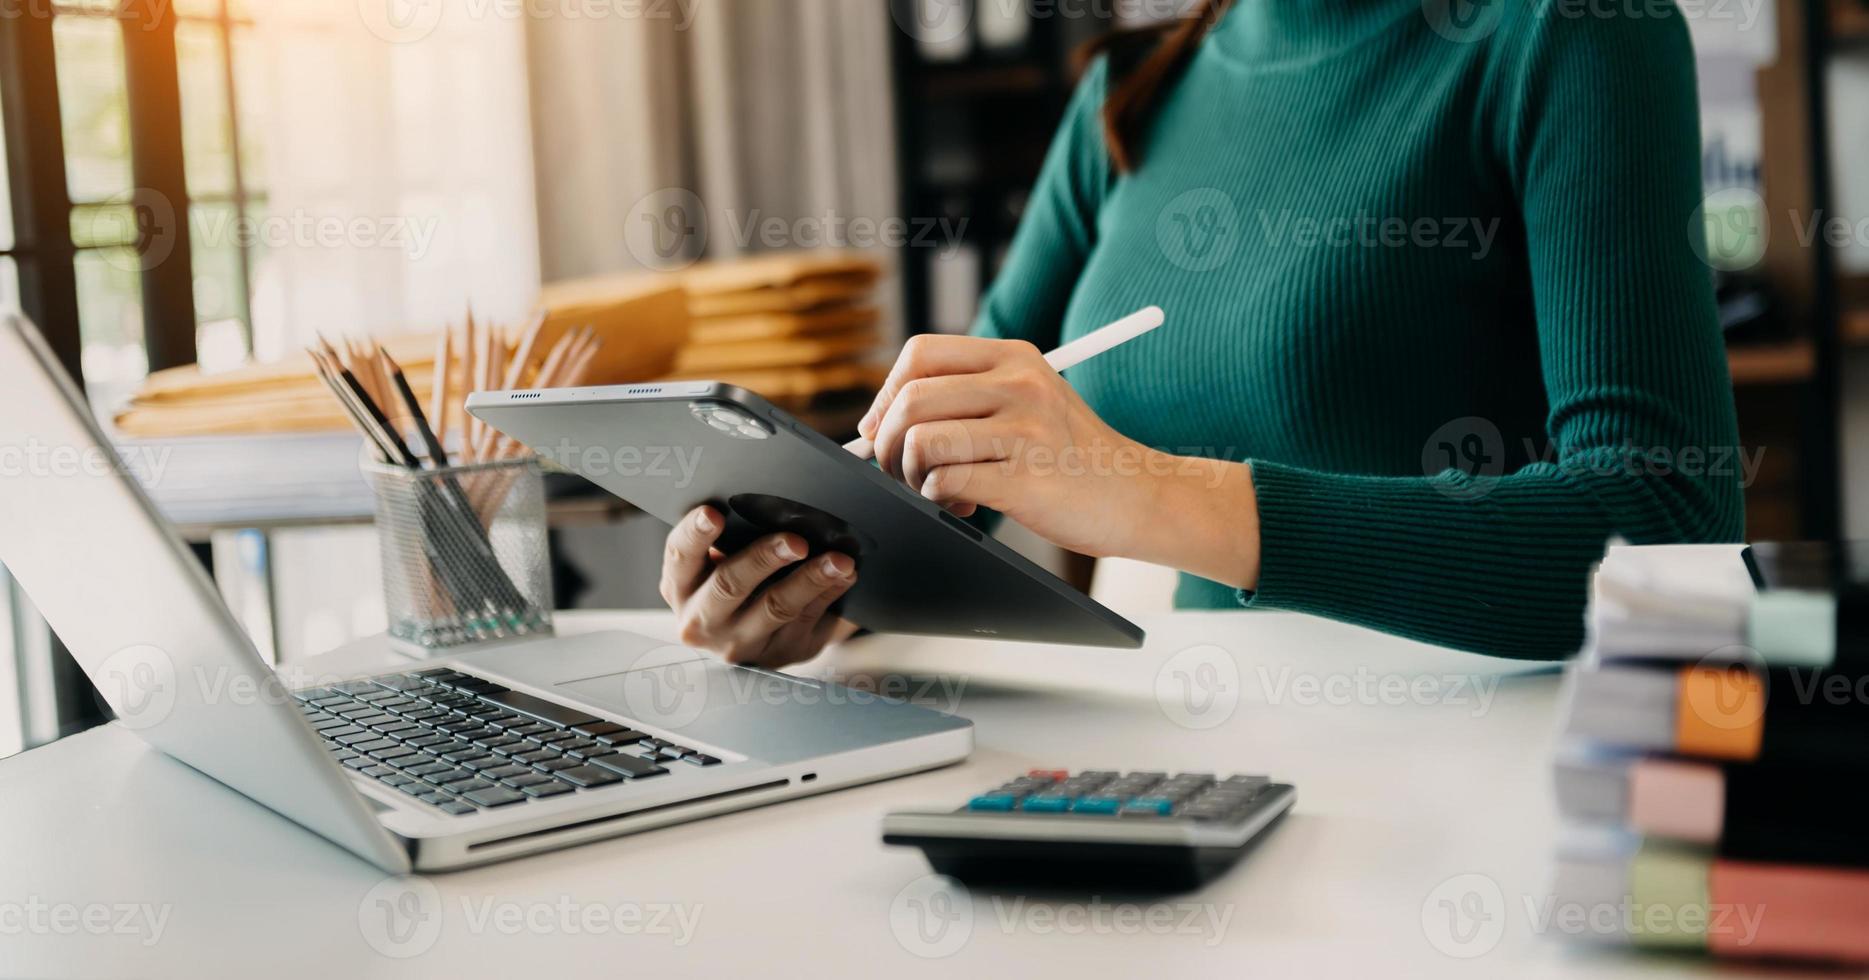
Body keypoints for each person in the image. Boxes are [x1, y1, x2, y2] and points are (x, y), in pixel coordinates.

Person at [659, 0, 1744, 666]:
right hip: (1177, 757)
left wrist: (1155, 493)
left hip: (1441, 787)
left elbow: (1666, 519)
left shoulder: (1570, 33)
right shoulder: (1132, 92)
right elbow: (942, 474)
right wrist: (812, 592)